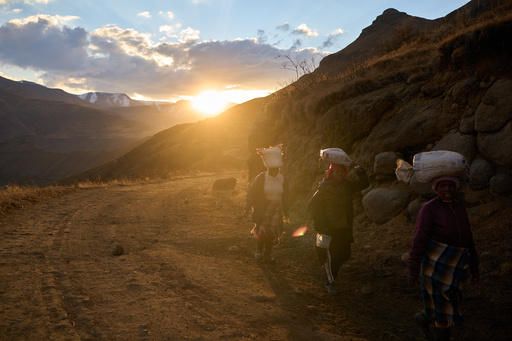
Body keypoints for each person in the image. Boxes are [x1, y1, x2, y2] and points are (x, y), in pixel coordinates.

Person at [407, 176, 480, 341]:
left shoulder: (460, 208)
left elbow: (468, 238)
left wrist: (474, 265)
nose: (447, 189)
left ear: (456, 187)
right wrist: (413, 267)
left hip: (457, 264)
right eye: (442, 186)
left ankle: (424, 317)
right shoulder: (429, 209)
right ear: (435, 188)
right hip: (436, 265)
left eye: (450, 186)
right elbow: (419, 239)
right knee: (444, 313)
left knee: (451, 304)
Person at [310, 161, 369, 295]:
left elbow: (365, 184)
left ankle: (329, 269)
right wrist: (321, 226)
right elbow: (315, 208)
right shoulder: (323, 188)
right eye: (337, 172)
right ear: (331, 173)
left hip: (344, 227)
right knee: (331, 256)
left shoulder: (346, 186)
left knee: (345, 254)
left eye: (342, 172)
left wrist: (358, 168)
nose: (340, 175)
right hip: (330, 228)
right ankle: (330, 282)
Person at [244, 147, 290, 263]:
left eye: (276, 168)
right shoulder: (261, 178)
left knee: (272, 232)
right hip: (263, 208)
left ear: (278, 168)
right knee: (262, 231)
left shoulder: (282, 179)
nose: (273, 171)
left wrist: (286, 212)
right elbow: (251, 193)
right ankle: (259, 250)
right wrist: (247, 208)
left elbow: (286, 196)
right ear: (268, 167)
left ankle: (267, 254)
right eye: (271, 168)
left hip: (276, 209)